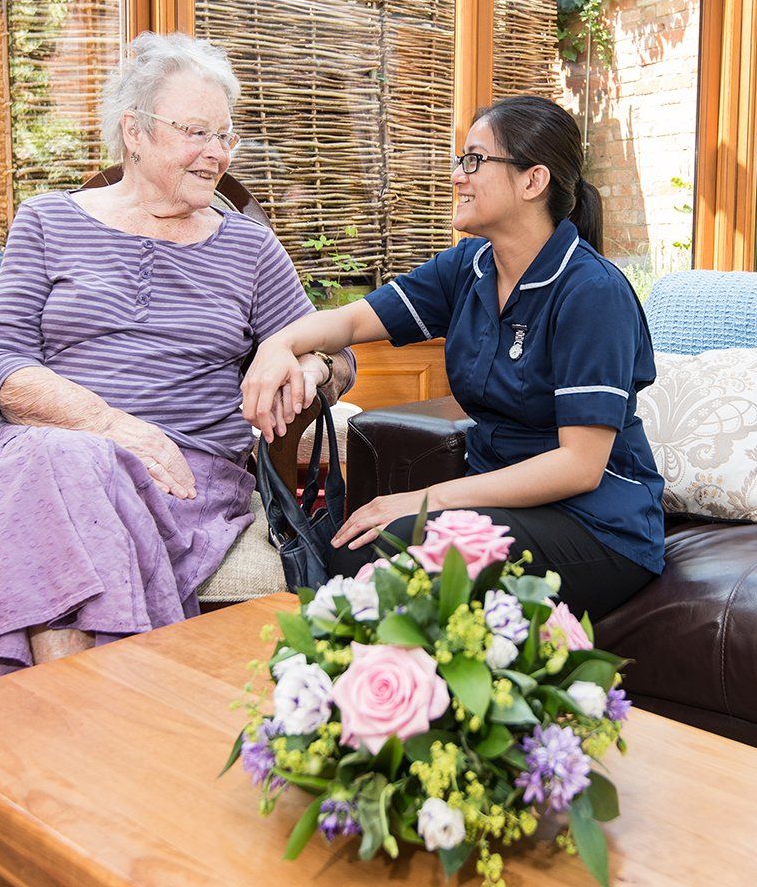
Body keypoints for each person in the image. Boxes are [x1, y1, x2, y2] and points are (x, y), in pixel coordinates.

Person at [0, 33, 353, 735]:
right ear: (135, 132)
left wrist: (303, 363)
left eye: (225, 135)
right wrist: (115, 428)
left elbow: (336, 354)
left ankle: (48, 741)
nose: (216, 152)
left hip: (182, 483)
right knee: (55, 455)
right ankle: (92, 729)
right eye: (196, 132)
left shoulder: (247, 246)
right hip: (48, 459)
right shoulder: (48, 222)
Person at [241, 95, 662, 620]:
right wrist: (278, 345)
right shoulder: (471, 265)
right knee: (355, 548)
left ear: (533, 181)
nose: (458, 176)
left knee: (398, 554)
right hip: (501, 505)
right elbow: (351, 321)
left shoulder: (591, 292)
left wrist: (428, 499)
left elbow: (579, 466)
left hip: (595, 525)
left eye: (475, 161)